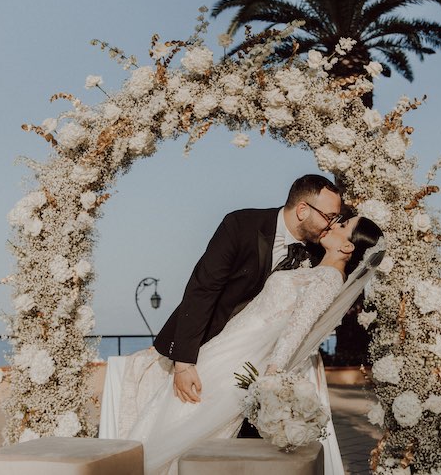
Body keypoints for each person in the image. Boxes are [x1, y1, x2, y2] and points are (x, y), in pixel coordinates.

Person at [115, 215, 384, 475]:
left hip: (240, 359)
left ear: (347, 246)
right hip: (228, 346)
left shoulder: (328, 280)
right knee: (175, 417)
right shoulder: (319, 270)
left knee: (184, 426)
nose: (335, 223)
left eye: (344, 224)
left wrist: (271, 377)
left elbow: (296, 329)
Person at [152, 174, 343, 405]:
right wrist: (183, 363)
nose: (332, 225)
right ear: (302, 210)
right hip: (209, 346)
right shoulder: (240, 226)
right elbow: (203, 288)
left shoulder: (321, 255)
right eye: (329, 216)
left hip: (263, 360)